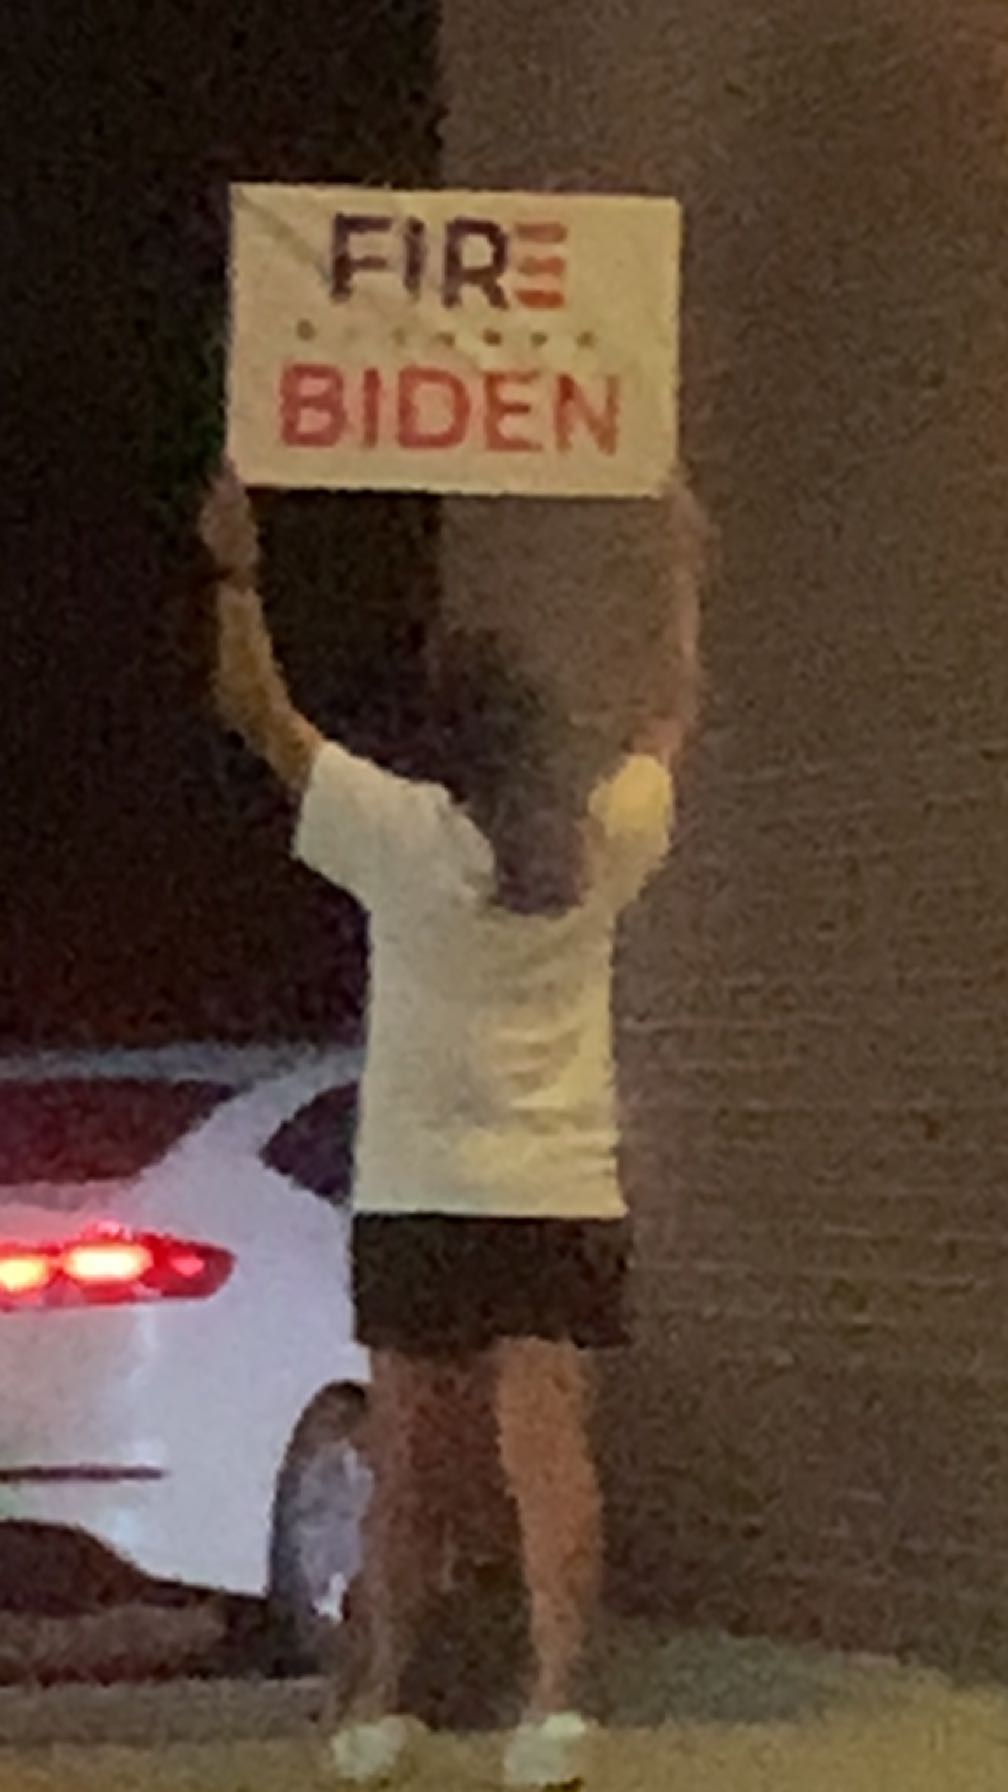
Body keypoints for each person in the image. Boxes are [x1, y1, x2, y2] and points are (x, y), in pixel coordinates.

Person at [200, 465, 705, 1788]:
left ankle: (379, 1709)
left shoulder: (403, 833)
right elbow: (673, 715)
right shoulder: (597, 840)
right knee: (551, 1460)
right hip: (561, 1186)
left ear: (444, 742)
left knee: (411, 1465)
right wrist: (680, 571)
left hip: (420, 1185)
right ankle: (555, 1709)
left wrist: (238, 571)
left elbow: (258, 715)